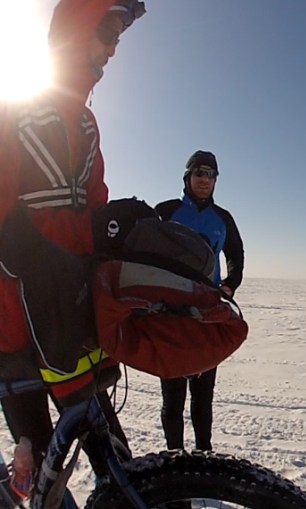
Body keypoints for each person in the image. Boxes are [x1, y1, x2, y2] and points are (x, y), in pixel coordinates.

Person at [0, 0, 144, 494]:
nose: (112, 50)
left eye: (118, 39)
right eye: (108, 34)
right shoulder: (14, 111)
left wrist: (121, 232)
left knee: (115, 460)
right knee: (43, 467)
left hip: (71, 321)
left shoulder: (86, 125)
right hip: (13, 327)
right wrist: (61, 245)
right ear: (78, 30)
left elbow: (94, 207)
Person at [155, 150, 245, 451]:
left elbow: (236, 254)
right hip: (170, 314)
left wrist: (230, 285)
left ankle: (203, 453)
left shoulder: (223, 218)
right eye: (199, 173)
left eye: (210, 175)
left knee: (203, 394)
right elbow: (143, 250)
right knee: (173, 396)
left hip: (207, 313)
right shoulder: (165, 211)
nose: (205, 180)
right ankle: (174, 456)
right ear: (188, 177)